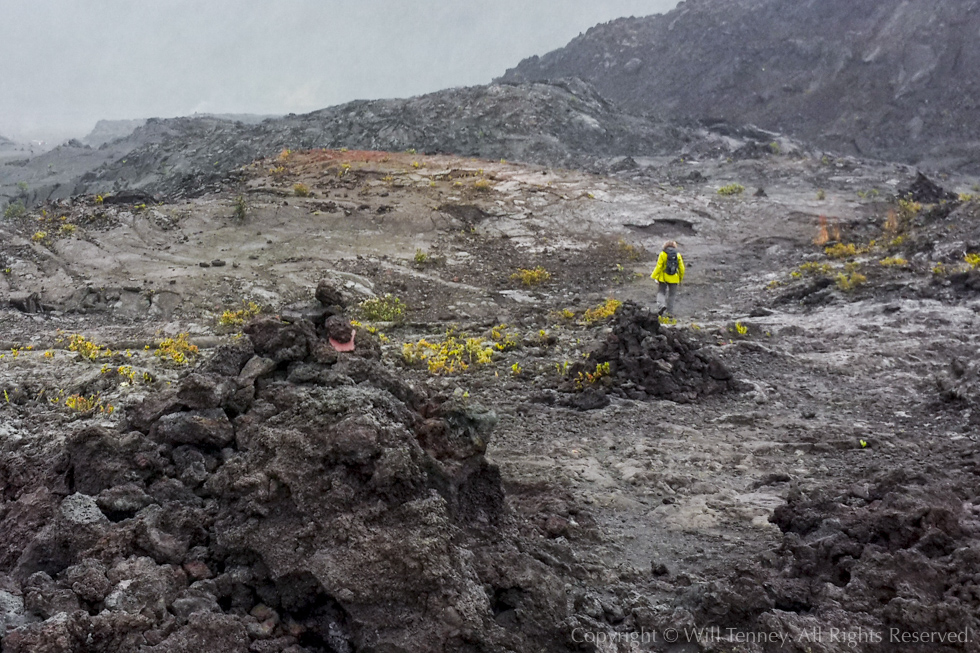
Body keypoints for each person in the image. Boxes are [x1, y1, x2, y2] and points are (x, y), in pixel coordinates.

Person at [650, 240, 685, 316]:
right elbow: (682, 268)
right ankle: (670, 314)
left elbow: (659, 267)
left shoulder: (662, 254)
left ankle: (661, 306)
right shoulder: (678, 255)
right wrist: (680, 278)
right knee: (672, 295)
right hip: (674, 278)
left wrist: (654, 276)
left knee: (661, 292)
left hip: (663, 278)